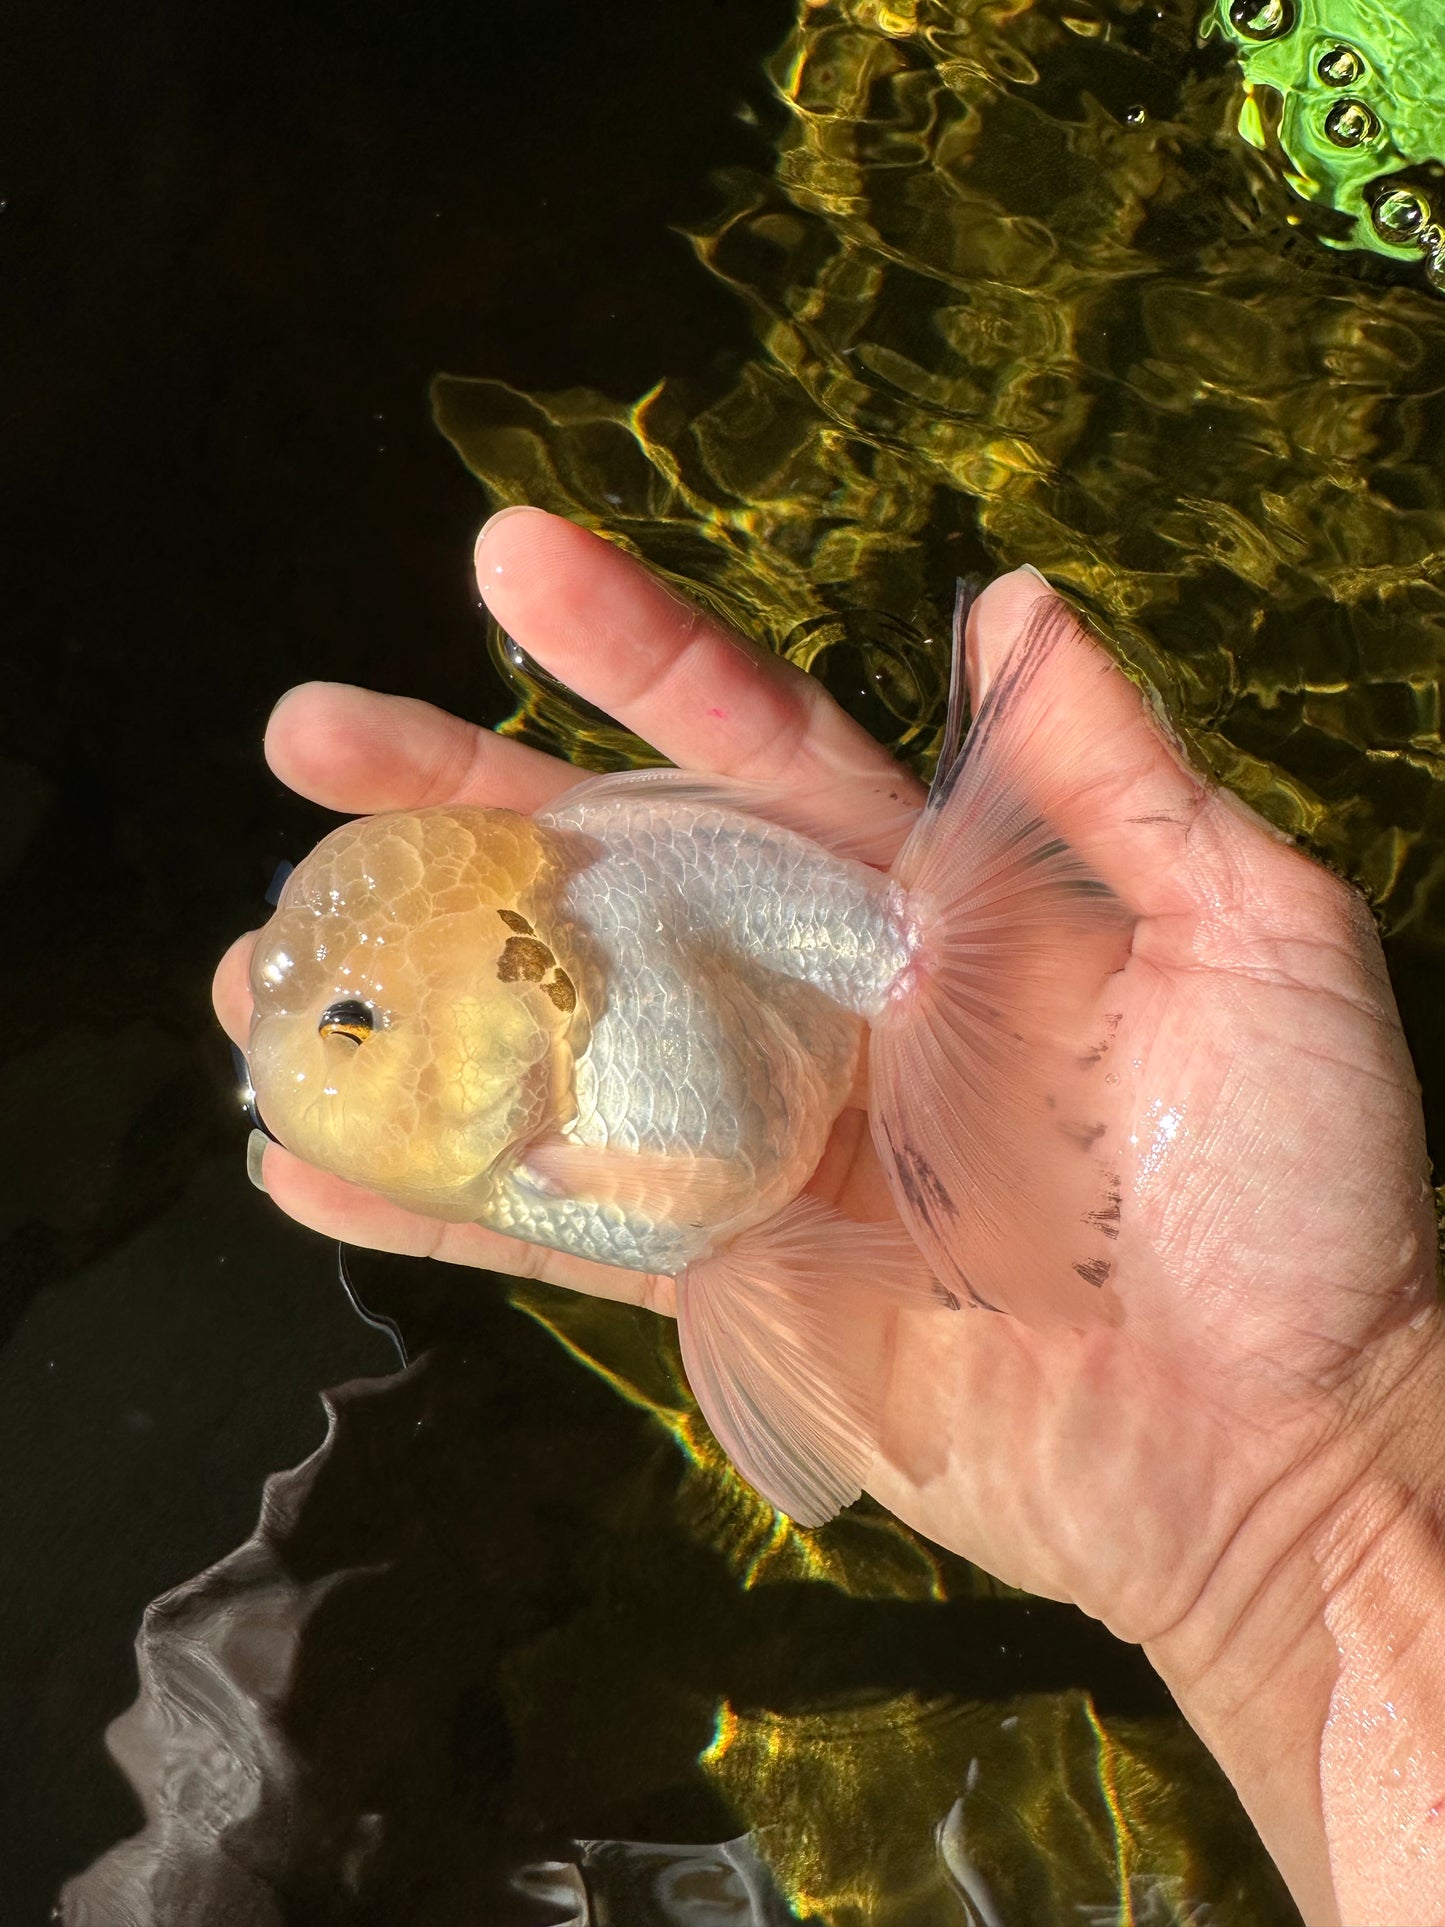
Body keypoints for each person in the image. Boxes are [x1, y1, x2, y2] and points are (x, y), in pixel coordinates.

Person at [214, 507, 1445, 1926]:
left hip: (814, 1011)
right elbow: (717, 1213)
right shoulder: (526, 1107)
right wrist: (1307, 1520)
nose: (301, 1048)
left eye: (357, 1022)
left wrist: (1315, 1504)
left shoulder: (557, 1117)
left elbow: (700, 1197)